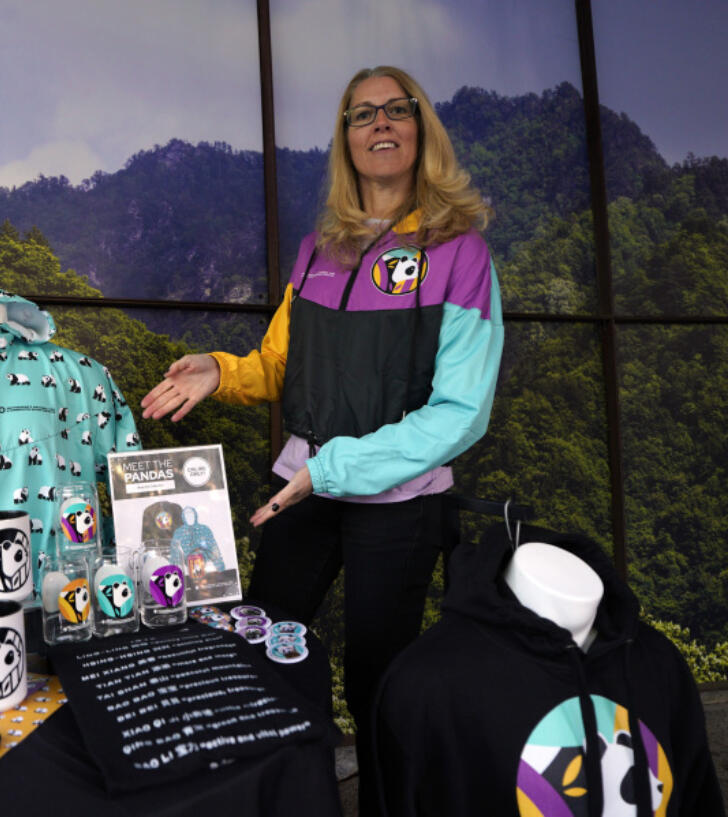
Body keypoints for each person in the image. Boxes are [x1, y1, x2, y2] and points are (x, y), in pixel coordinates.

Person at [140, 65, 503, 816]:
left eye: (395, 110)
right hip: (304, 485)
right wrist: (220, 368)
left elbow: (461, 412)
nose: (379, 123)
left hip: (398, 502)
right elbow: (282, 363)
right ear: (345, 138)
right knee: (265, 648)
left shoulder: (462, 252)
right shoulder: (318, 249)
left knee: (380, 679)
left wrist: (335, 467)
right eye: (361, 113)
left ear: (420, 127)